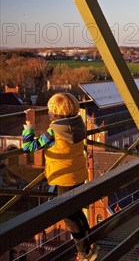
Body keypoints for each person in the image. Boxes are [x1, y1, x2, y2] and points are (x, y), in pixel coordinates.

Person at [22, 93, 98, 261]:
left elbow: (29, 147)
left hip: (64, 178)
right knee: (76, 209)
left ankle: (85, 253)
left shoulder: (54, 132)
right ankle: (90, 243)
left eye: (49, 111)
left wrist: (29, 126)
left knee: (69, 216)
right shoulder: (79, 123)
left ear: (54, 114)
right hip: (78, 173)